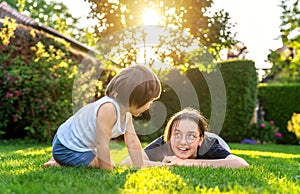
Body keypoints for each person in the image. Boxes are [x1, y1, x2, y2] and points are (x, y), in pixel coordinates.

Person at [43, 65, 162, 170]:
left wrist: (139, 167)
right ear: (136, 97)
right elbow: (102, 144)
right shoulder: (108, 109)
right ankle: (58, 162)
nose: (150, 105)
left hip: (81, 146)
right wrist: (107, 171)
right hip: (67, 146)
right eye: (150, 101)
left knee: (108, 162)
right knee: (102, 164)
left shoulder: (126, 115)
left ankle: (57, 160)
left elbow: (132, 142)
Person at [121, 107, 249, 168]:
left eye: (191, 136)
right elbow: (127, 162)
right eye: (177, 134)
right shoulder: (165, 142)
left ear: (200, 139)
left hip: (216, 139)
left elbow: (241, 164)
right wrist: (167, 166)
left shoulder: (208, 145)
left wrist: (186, 163)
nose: (183, 142)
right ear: (170, 136)